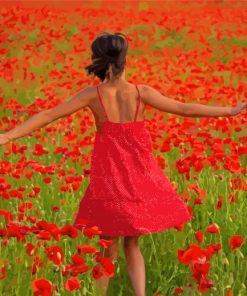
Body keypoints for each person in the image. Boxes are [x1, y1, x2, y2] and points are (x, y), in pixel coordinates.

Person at [0, 31, 246, 296]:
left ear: (98, 59)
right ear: (125, 59)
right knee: (132, 245)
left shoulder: (92, 95)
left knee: (107, 247)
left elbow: (49, 115)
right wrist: (228, 111)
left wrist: (8, 135)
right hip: (139, 176)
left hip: (109, 179)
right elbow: (184, 108)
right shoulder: (141, 93)